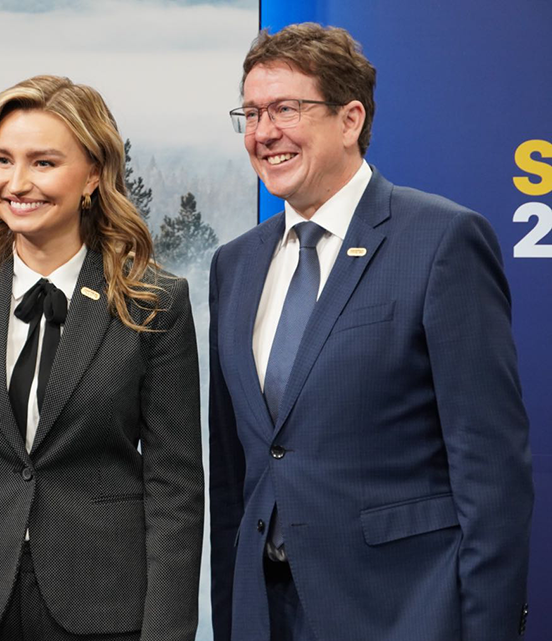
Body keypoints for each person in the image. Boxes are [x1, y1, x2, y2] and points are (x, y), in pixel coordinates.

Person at [207, 22, 533, 641]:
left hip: (402, 610)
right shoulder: (236, 263)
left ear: (350, 119)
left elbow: (490, 469)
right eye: (249, 113)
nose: (263, 132)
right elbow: (235, 470)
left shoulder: (441, 241)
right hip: (264, 612)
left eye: (285, 109)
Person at [0, 75, 204, 641]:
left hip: (99, 606)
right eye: (3, 160)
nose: (17, 183)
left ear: (93, 176)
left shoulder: (154, 302)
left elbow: (175, 489)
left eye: (43, 163)